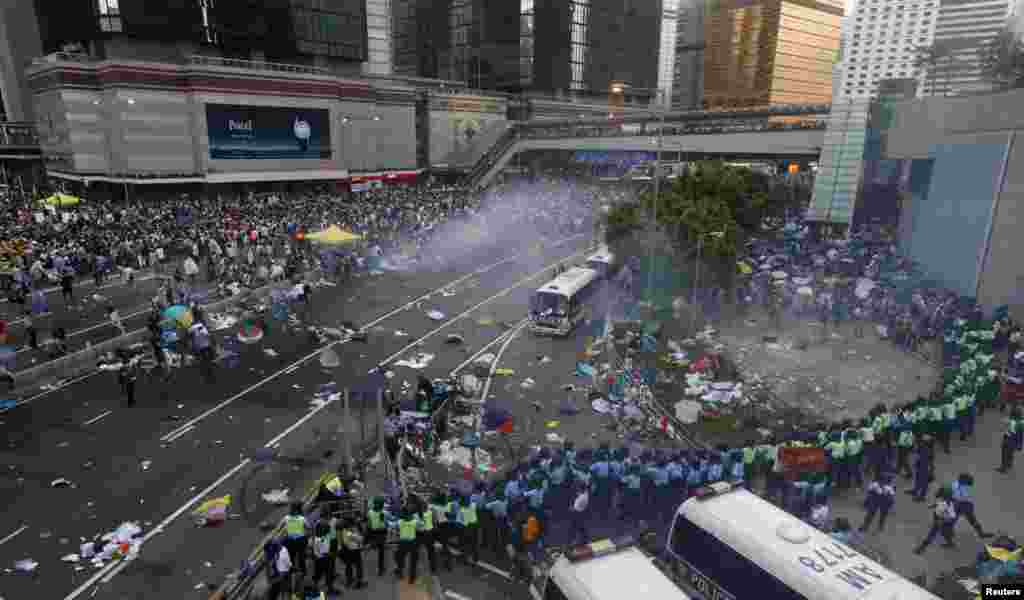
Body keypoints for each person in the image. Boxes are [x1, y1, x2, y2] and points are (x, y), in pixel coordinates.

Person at [913, 486, 957, 554]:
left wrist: (942, 521)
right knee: (945, 534)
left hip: (942, 521)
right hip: (940, 519)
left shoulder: (947, 505)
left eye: (940, 493)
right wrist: (934, 505)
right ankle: (950, 542)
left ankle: (921, 548)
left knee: (932, 534)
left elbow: (952, 517)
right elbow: (939, 503)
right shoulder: (944, 501)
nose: (938, 494)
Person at [950, 473, 992, 539]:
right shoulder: (957, 486)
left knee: (955, 519)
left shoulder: (958, 485)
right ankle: (981, 533)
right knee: (970, 520)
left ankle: (981, 533)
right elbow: (956, 496)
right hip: (961, 505)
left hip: (963, 505)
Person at [338, 516, 367, 589]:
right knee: (358, 566)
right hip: (354, 551)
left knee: (349, 566)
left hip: (347, 550)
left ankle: (349, 581)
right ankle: (358, 582)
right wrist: (358, 534)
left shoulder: (344, 531)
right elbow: (360, 539)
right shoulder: (349, 533)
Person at [393, 506, 420, 584]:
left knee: (399, 557)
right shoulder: (415, 522)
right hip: (413, 543)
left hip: (402, 543)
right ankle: (412, 577)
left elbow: (395, 527)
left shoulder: (399, 522)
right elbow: (419, 528)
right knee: (413, 561)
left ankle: (400, 572)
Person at [310, 521, 338, 594]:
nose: (328, 530)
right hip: (324, 559)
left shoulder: (318, 537)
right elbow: (325, 552)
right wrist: (332, 554)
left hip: (318, 559)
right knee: (328, 574)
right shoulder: (321, 540)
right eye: (326, 529)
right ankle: (329, 589)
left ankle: (315, 587)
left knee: (318, 574)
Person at [282, 502, 308, 579]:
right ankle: (303, 572)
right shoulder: (302, 519)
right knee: (301, 557)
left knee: (292, 557)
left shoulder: (286, 518)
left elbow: (285, 529)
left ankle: (292, 571)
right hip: (300, 541)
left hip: (290, 541)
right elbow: (308, 527)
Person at [366, 497, 389, 576]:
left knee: (379, 550)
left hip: (374, 533)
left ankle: (381, 568)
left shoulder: (370, 512)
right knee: (381, 552)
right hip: (381, 533)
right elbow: (386, 524)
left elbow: (368, 525)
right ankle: (381, 569)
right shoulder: (385, 513)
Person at [568, 481, 590, 545]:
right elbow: (581, 492)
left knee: (575, 527)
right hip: (583, 512)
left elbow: (574, 508)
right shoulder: (586, 493)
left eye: (578, 488)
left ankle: (575, 540)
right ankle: (585, 539)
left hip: (577, 514)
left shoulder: (580, 499)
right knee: (581, 527)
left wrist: (570, 508)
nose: (577, 488)